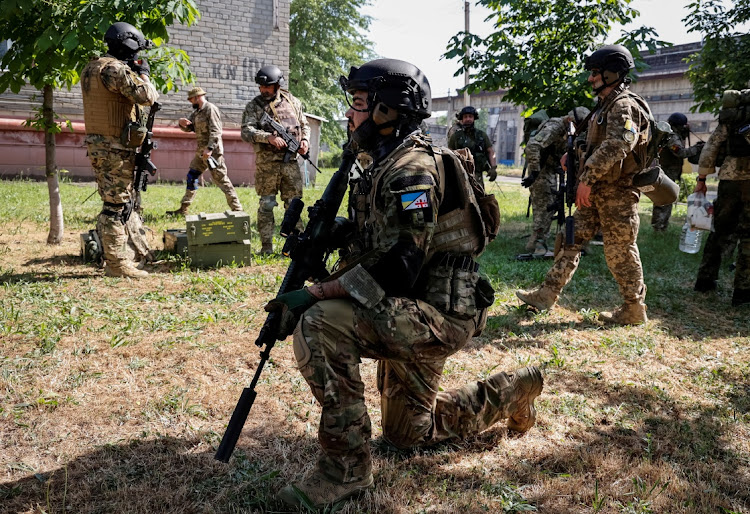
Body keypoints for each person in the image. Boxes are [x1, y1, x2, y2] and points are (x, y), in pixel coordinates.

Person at [265, 58, 543, 509]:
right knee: (407, 436)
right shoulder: (381, 162)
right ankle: (516, 389)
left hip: (437, 314)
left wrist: (314, 293)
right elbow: (382, 239)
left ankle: (345, 470)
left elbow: (402, 265)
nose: (350, 115)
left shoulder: (411, 170)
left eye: (358, 104)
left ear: (386, 111)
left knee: (320, 321)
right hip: (405, 308)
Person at [516, 44, 650, 324]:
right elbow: (596, 143)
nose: (590, 78)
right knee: (570, 240)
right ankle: (546, 294)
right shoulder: (604, 106)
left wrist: (586, 179)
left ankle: (633, 308)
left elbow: (619, 145)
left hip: (617, 193)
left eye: (595, 73)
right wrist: (573, 153)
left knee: (620, 251)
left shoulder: (624, 105)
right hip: (597, 192)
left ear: (613, 73)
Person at [81, 22, 158, 278]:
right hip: (114, 147)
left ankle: (125, 252)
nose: (137, 56)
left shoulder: (92, 67)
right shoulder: (114, 69)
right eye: (136, 50)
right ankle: (117, 264)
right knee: (115, 205)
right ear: (128, 45)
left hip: (102, 145)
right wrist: (144, 73)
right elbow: (147, 95)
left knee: (115, 201)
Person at [241, 65, 310, 254]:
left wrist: (304, 141)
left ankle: (297, 246)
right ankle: (266, 247)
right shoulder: (254, 106)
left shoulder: (293, 102)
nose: (263, 90)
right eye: (261, 86)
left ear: (278, 85)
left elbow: (304, 125)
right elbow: (246, 131)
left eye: (268, 86)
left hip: (291, 163)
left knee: (294, 204)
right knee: (267, 205)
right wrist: (268, 138)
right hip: (267, 164)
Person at [693, 119, 750, 305]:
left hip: (730, 177)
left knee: (719, 228)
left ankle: (704, 280)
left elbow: (712, 145)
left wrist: (701, 178)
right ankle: (742, 292)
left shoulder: (736, 110)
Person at [522, 107, 590, 255]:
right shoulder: (554, 127)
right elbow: (532, 146)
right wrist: (534, 172)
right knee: (544, 204)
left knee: (557, 203)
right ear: (571, 120)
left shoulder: (572, 131)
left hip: (555, 167)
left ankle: (573, 240)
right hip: (541, 169)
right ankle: (538, 243)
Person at [166, 87, 243, 215]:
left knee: (222, 180)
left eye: (191, 99)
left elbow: (216, 131)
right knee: (192, 176)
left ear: (197, 97)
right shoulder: (197, 112)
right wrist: (181, 124)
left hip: (213, 153)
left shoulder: (210, 109)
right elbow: (190, 128)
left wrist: (210, 148)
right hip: (201, 153)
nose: (191, 102)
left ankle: (237, 209)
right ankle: (183, 209)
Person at [650, 112, 702, 231]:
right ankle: (659, 227)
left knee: (666, 199)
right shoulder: (671, 136)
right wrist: (697, 148)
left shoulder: (672, 134)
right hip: (666, 172)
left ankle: (661, 227)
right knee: (664, 199)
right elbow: (679, 152)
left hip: (668, 171)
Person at [448, 106, 497, 183]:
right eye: (465, 117)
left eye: (470, 116)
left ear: (474, 118)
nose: (468, 119)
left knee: (479, 193)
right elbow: (449, 153)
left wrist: (493, 168)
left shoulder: (481, 135)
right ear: (462, 119)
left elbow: (490, 151)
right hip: (460, 174)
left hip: (477, 174)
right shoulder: (456, 136)